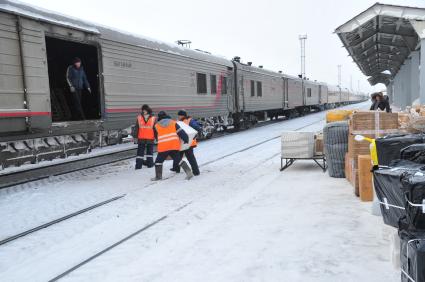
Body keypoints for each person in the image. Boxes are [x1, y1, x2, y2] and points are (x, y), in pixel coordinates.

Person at [152, 111, 193, 181]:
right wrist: (186, 139)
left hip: (163, 147)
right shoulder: (173, 122)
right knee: (178, 160)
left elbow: (156, 136)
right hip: (173, 145)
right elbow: (181, 132)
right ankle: (189, 173)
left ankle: (158, 177)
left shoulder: (156, 126)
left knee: (158, 161)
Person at [176, 110, 201, 176]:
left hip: (189, 143)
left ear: (183, 115)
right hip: (182, 143)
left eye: (179, 115)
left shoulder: (189, 120)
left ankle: (196, 172)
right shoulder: (179, 122)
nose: (178, 117)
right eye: (178, 115)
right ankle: (176, 169)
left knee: (190, 158)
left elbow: (197, 128)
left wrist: (194, 136)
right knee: (178, 156)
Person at [134, 104, 156, 170]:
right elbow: (137, 128)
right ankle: (138, 166)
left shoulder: (153, 118)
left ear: (148, 110)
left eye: (145, 110)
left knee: (149, 153)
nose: (144, 111)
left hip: (150, 138)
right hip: (141, 137)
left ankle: (150, 164)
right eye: (143, 110)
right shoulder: (139, 117)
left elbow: (155, 128)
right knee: (140, 153)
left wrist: (157, 137)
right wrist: (135, 137)